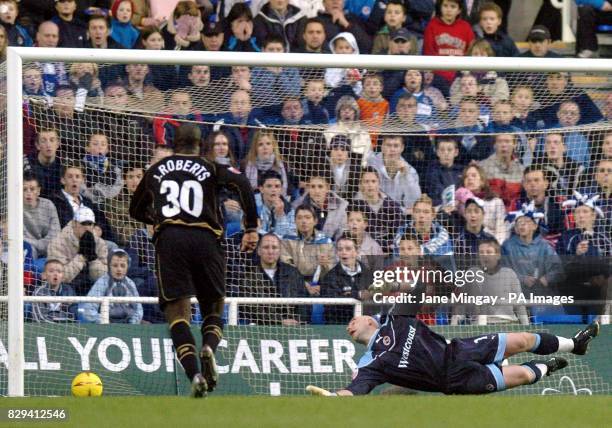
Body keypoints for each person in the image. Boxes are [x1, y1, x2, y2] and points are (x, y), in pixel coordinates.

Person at [129, 123, 259, 398]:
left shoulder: (156, 170)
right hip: (206, 238)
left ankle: (195, 374)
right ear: (202, 145)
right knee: (213, 308)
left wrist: (157, 219)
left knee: (177, 315)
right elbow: (243, 183)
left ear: (175, 143)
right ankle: (209, 346)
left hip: (171, 240)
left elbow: (135, 208)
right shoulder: (211, 167)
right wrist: (251, 228)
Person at [307, 315, 599, 396]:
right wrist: (334, 398)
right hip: (455, 380)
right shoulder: (368, 365)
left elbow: (419, 283)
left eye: (354, 320)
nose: (349, 325)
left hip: (459, 349)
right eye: (348, 325)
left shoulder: (398, 320)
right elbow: (354, 390)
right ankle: (547, 367)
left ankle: (576, 344)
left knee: (522, 338)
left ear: (370, 319)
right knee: (523, 374)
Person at [452, 238, 529, 326]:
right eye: (481, 252)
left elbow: (520, 306)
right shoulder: (471, 274)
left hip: (508, 324)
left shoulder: (509, 274)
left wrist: (527, 327)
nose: (484, 255)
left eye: (488, 252)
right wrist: (453, 327)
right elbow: (460, 306)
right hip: (479, 326)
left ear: (498, 255)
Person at [47, 206, 108, 296]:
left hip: (92, 286)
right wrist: (81, 257)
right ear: (74, 223)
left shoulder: (100, 243)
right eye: (83, 224)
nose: (87, 227)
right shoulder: (58, 242)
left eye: (90, 224)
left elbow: (103, 278)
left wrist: (93, 259)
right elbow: (60, 277)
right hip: (67, 288)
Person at [80, 248, 143, 324]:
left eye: (122, 266)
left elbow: (138, 309)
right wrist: (104, 321)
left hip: (128, 325)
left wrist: (133, 323)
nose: (119, 269)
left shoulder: (130, 284)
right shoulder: (102, 283)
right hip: (105, 325)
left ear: (128, 267)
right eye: (115, 265)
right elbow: (88, 309)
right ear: (109, 266)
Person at [320, 237, 373, 324]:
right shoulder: (329, 277)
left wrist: (349, 294)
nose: (344, 252)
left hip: (366, 324)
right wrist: (358, 294)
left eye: (348, 249)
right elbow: (332, 307)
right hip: (339, 325)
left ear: (357, 251)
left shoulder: (369, 274)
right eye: (340, 249)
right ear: (337, 252)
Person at [367, 134, 421, 213]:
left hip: (399, 216)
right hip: (372, 212)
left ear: (402, 148)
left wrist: (406, 176)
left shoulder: (410, 171)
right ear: (382, 147)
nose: (392, 149)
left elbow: (413, 203)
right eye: (388, 145)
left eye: (396, 146)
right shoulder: (370, 164)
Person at [24, 173, 61, 262]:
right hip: (28, 253)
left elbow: (55, 236)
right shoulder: (14, 210)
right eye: (24, 189)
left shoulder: (48, 205)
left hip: (49, 253)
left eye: (32, 189)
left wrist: (38, 245)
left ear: (38, 191)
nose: (28, 193)